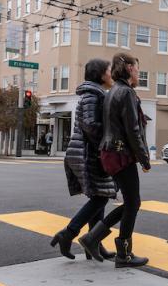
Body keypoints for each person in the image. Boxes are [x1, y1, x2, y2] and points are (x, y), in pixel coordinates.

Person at [79, 52, 151, 268]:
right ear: (129, 69)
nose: (139, 74)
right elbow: (133, 130)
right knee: (133, 203)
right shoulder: (126, 92)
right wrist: (144, 159)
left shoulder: (113, 91)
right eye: (137, 69)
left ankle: (93, 237)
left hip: (110, 153)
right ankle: (123, 254)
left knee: (131, 203)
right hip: (120, 154)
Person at [51, 59, 117, 260]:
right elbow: (89, 125)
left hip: (87, 151)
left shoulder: (95, 94)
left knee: (99, 196)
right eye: (109, 71)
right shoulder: (92, 95)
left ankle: (94, 242)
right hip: (88, 152)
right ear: (100, 75)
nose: (111, 74)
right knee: (101, 196)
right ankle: (69, 233)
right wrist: (105, 142)